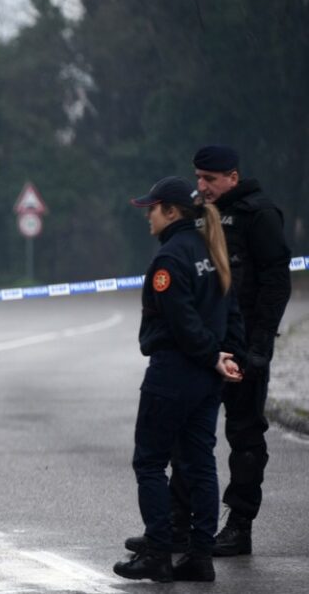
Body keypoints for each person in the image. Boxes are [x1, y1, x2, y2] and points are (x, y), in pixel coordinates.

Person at [114, 176, 244, 583]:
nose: (148, 216)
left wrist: (209, 354)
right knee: (200, 463)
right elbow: (230, 312)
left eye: (151, 209)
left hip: (174, 372)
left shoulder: (170, 259)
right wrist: (227, 357)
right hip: (208, 378)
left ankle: (157, 552)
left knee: (150, 462)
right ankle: (199, 557)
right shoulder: (211, 249)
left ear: (170, 211)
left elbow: (182, 321)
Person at [192, 145, 292, 556]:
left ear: (232, 176)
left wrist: (260, 347)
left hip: (244, 344)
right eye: (198, 178)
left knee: (245, 436)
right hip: (202, 345)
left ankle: (239, 525)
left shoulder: (259, 214)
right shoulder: (196, 212)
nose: (202, 186)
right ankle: (183, 524)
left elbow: (275, 284)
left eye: (210, 179)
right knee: (189, 436)